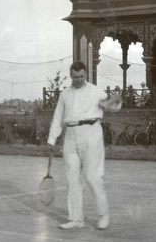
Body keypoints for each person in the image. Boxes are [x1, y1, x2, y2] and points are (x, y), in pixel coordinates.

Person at [46, 61, 122, 230]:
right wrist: (52, 140)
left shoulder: (96, 91)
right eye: (75, 77)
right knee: (72, 180)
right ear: (71, 76)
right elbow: (58, 117)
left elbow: (112, 106)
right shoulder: (65, 94)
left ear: (85, 75)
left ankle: (104, 214)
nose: (79, 80)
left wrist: (116, 102)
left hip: (91, 134)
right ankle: (76, 219)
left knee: (92, 177)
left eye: (82, 77)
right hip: (70, 136)